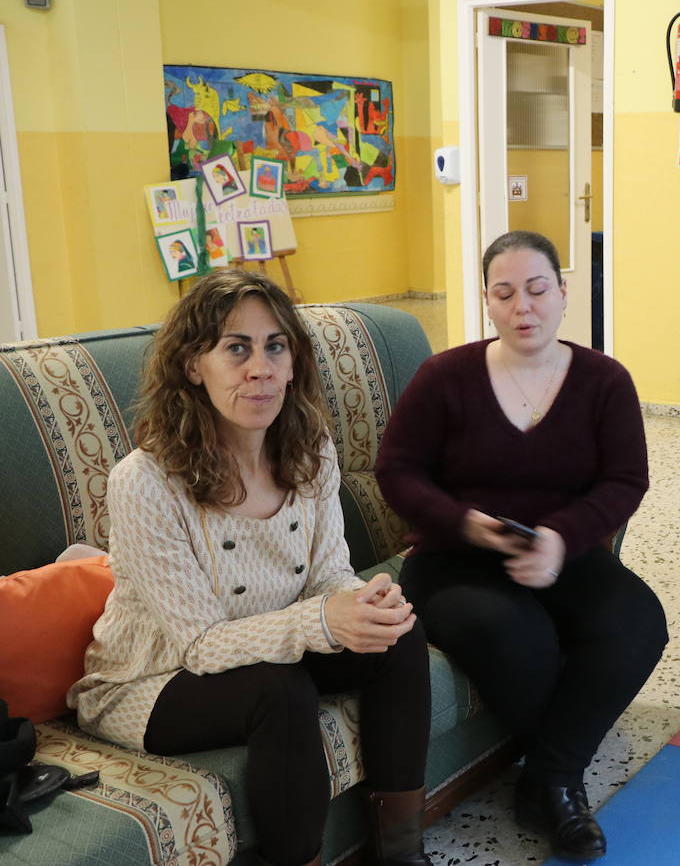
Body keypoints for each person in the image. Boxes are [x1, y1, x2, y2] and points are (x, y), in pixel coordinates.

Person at [69, 270, 434, 866]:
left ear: (293, 363)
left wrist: (361, 603)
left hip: (269, 638)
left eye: (275, 346)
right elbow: (200, 645)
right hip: (151, 677)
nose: (259, 368)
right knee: (278, 690)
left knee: (397, 637)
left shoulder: (310, 444)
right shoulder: (144, 481)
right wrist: (324, 622)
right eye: (236, 348)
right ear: (194, 365)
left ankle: (400, 852)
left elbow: (328, 574)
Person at [375, 230, 667, 862]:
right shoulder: (444, 376)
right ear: (487, 301)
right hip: (453, 560)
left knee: (639, 623)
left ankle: (547, 777)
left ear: (563, 294)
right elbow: (397, 471)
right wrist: (468, 524)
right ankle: (561, 787)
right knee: (518, 636)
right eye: (504, 294)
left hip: (561, 551)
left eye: (537, 290)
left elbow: (625, 480)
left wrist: (562, 538)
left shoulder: (603, 381)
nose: (522, 308)